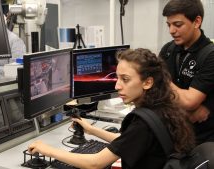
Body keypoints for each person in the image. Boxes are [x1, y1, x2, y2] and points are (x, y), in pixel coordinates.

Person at [28, 48, 195, 169]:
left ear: (148, 82)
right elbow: (126, 141)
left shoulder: (142, 123)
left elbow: (95, 163)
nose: (117, 85)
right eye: (117, 78)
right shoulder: (161, 108)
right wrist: (92, 130)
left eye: (125, 79)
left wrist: (48, 150)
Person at [159, 0, 214, 144]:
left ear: (197, 21)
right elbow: (153, 90)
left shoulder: (210, 55)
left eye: (177, 25)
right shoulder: (167, 50)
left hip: (201, 140)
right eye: (169, 25)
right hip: (171, 135)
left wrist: (161, 78)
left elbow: (189, 101)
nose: (171, 30)